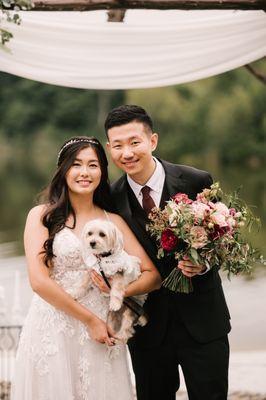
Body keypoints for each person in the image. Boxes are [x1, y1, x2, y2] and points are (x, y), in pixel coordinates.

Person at [11, 136, 161, 400]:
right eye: (76, 164)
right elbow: (39, 281)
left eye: (93, 165)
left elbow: (153, 276)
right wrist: (89, 320)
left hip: (103, 332)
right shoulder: (41, 216)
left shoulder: (112, 221)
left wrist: (120, 289)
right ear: (64, 170)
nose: (84, 172)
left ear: (102, 172)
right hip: (54, 328)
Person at [102, 105, 231, 400]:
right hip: (148, 328)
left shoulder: (198, 181)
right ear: (109, 148)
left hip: (202, 322)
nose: (127, 153)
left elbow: (221, 242)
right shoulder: (110, 198)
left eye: (134, 142)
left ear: (153, 141)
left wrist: (204, 263)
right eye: (118, 146)